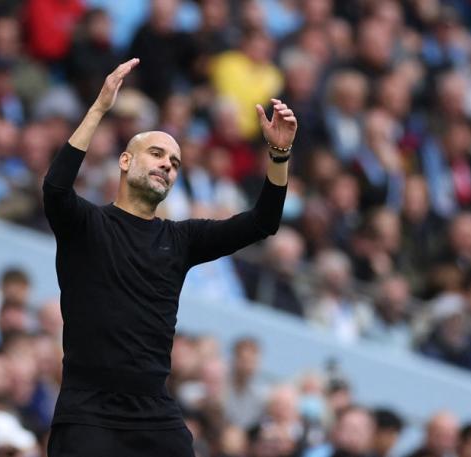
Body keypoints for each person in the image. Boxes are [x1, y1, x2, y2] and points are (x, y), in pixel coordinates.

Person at [42, 58, 296, 456]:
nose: (167, 164)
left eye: (175, 163)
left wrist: (279, 154)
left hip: (154, 414)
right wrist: (99, 108)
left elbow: (263, 221)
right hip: (88, 410)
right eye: (157, 153)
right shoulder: (86, 225)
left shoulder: (180, 239)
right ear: (125, 161)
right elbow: (56, 189)